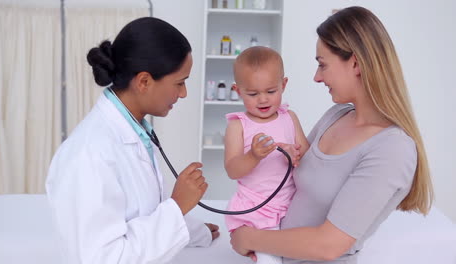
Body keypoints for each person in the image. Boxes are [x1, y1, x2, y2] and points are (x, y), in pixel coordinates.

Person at [229, 6, 434, 264]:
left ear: (356, 63)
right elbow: (292, 172)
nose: (316, 77)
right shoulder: (335, 116)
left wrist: (248, 238)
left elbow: (329, 246)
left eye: (322, 65)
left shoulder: (392, 149)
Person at [45, 17, 220, 264]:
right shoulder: (88, 155)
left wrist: (194, 231)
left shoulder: (133, 131)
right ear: (144, 82)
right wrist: (178, 207)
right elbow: (104, 258)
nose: (183, 93)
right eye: (179, 83)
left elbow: (138, 214)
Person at [224, 46, 309, 264]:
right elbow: (232, 170)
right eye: (253, 94)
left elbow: (308, 158)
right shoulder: (238, 125)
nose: (263, 100)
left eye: (271, 92)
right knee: (269, 259)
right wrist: (253, 156)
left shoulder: (289, 117)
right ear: (237, 91)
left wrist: (294, 154)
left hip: (291, 206)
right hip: (257, 211)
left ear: (284, 84)